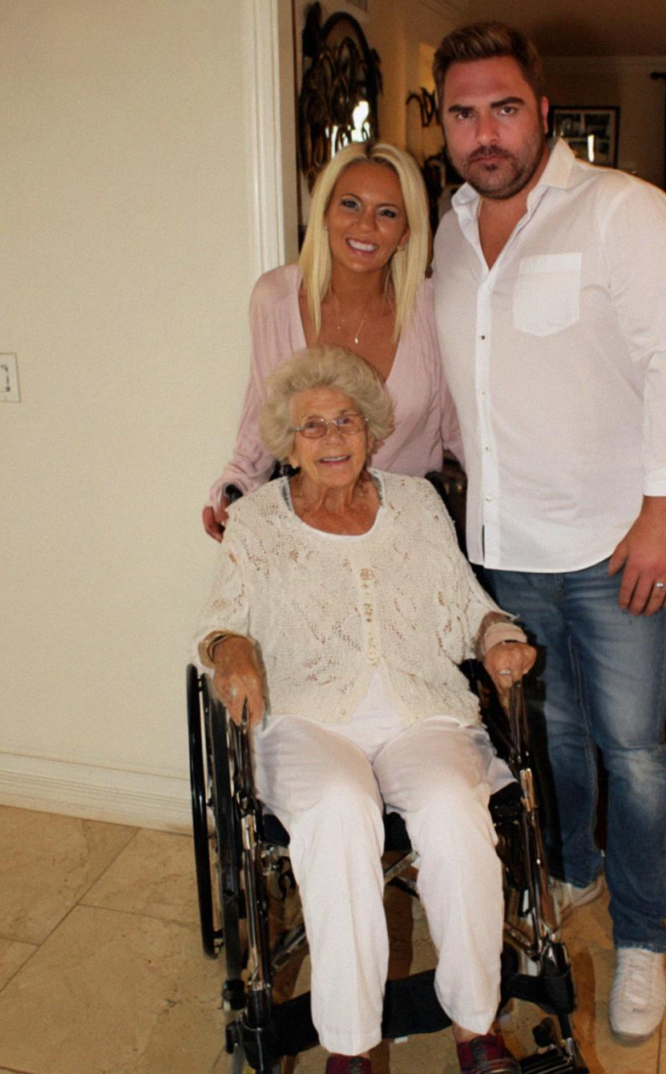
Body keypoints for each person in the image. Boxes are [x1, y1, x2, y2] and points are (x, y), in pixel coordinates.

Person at [431, 22, 666, 1044]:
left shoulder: (624, 213)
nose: (485, 132)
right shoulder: (446, 233)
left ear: (542, 111)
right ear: (444, 124)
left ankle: (642, 935)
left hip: (614, 545)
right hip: (503, 547)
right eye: (463, 113)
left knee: (632, 748)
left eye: (503, 107)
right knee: (547, 734)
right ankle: (576, 868)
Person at [196, 346, 535, 1074]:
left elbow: (466, 606)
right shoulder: (255, 522)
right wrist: (232, 648)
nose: (332, 438)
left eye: (346, 420)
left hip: (421, 712)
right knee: (341, 813)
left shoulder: (417, 503)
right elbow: (221, 622)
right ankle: (349, 1049)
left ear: (372, 429)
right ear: (288, 444)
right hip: (308, 719)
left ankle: (476, 1027)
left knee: (454, 811)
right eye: (312, 426)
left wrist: (497, 637)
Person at [202, 141, 461, 541]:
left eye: (387, 213)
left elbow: (464, 431)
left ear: (406, 233)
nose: (365, 226)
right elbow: (264, 413)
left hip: (407, 539)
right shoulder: (276, 299)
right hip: (304, 536)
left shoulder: (432, 309)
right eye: (350, 205)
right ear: (324, 213)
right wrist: (234, 489)